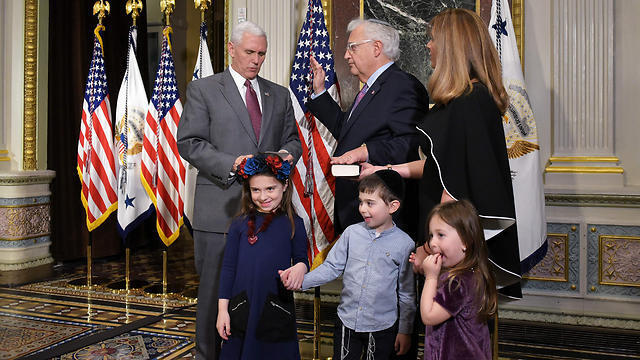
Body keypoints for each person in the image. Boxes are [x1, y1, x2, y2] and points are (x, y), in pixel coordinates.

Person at [360, 8, 522, 297]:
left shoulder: (467, 103)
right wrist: (384, 170)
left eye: (433, 39)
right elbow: (441, 166)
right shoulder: (472, 98)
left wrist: (427, 248)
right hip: (457, 250)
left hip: (451, 256)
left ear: (452, 47)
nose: (428, 45)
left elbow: (452, 192)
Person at [177, 21, 302, 360]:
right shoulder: (204, 89)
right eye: (249, 52)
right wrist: (233, 164)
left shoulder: (278, 93)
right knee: (215, 292)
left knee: (261, 289)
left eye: (261, 54)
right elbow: (189, 143)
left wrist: (283, 156)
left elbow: (292, 139)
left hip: (267, 213)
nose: (256, 60)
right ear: (231, 49)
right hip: (219, 208)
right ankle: (207, 355)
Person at [307, 18, 429, 235]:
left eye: (352, 47)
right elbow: (347, 132)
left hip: (383, 220)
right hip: (356, 211)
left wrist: (366, 151)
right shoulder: (371, 88)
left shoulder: (402, 86)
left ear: (376, 47)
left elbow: (410, 144)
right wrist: (319, 92)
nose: (346, 55)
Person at [281, 170, 415, 360]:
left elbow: (406, 294)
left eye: (370, 203)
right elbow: (331, 267)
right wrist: (300, 281)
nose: (362, 208)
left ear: (392, 206)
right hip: (347, 322)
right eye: (361, 202)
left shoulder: (405, 244)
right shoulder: (351, 233)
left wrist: (405, 331)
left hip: (382, 328)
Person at [216, 153, 308, 359]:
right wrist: (223, 311)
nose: (263, 196)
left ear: (284, 185)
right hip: (241, 306)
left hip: (275, 308)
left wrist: (301, 267)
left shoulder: (295, 224)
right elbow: (228, 269)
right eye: (255, 190)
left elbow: (302, 260)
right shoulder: (239, 224)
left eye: (270, 189)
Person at [410, 200, 497, 360]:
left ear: (465, 241)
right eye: (431, 235)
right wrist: (426, 270)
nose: (433, 243)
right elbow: (441, 295)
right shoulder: (469, 274)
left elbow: (429, 315)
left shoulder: (458, 283)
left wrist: (430, 277)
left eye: (440, 235)